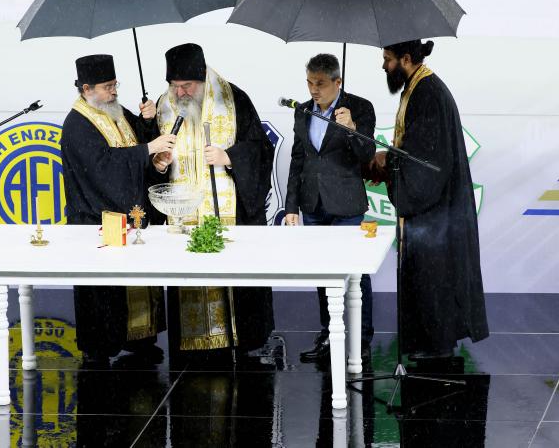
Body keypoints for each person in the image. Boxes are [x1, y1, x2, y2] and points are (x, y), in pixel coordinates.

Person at [365, 39, 489, 360]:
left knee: (433, 275)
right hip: (432, 204)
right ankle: (429, 342)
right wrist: (389, 165)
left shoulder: (428, 93)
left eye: (388, 59)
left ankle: (437, 346)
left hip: (435, 207)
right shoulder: (417, 87)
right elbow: (415, 149)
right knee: (427, 274)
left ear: (406, 58)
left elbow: (425, 160)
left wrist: (387, 163)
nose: (384, 66)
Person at [153, 43, 275, 359]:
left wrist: (229, 157)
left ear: (203, 78)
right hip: (183, 212)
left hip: (228, 209)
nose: (180, 93)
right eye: (175, 86)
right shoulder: (164, 106)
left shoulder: (234, 99)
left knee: (235, 277)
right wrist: (159, 164)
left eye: (187, 86)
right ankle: (194, 343)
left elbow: (261, 149)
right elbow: (149, 153)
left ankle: (239, 338)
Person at [60, 54, 176, 364]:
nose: (114, 92)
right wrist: (148, 148)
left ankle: (138, 339)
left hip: (130, 211)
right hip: (96, 217)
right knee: (103, 290)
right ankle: (99, 346)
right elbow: (101, 167)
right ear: (87, 88)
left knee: (135, 280)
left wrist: (148, 122)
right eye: (107, 87)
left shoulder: (115, 110)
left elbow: (136, 140)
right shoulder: (77, 124)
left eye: (115, 84)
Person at [284, 53, 377, 363]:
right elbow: (298, 159)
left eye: (321, 84)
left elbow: (366, 155)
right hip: (312, 204)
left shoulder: (360, 107)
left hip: (346, 204)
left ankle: (362, 339)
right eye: (310, 83)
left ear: (338, 82)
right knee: (323, 272)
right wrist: (291, 205)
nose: (314, 90)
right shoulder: (302, 111)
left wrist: (351, 127)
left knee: (355, 274)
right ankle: (328, 335)